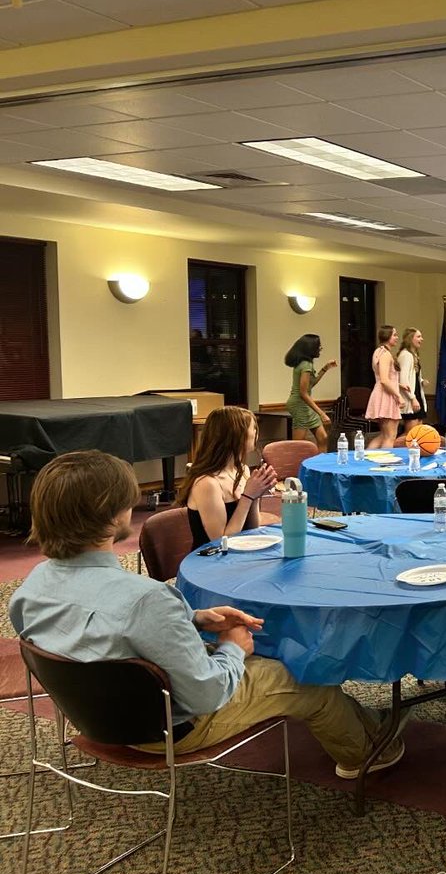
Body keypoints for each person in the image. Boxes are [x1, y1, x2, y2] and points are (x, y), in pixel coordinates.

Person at [10, 450, 409, 780]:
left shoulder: (31, 590)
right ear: (114, 515)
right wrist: (232, 649)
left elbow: (96, 631)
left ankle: (369, 723)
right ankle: (366, 752)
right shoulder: (147, 601)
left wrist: (193, 617)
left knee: (259, 653)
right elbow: (207, 693)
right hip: (170, 728)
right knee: (299, 671)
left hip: (95, 718)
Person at [178, 407, 277, 550]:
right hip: (212, 561)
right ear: (235, 436)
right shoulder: (207, 483)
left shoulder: (242, 470)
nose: (256, 432)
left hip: (239, 554)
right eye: (252, 428)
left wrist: (256, 495)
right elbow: (222, 543)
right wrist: (248, 496)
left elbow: (251, 528)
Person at [285, 334, 337, 451]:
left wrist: (325, 368)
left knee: (323, 438)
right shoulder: (305, 364)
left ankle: (321, 466)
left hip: (304, 404)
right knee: (298, 445)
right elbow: (303, 393)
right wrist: (321, 413)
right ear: (311, 348)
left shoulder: (306, 364)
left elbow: (311, 384)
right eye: (318, 346)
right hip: (299, 404)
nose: (320, 348)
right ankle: (293, 467)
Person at [366, 325, 404, 448]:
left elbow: (383, 377)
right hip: (386, 395)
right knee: (391, 436)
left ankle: (367, 458)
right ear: (387, 336)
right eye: (394, 335)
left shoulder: (378, 351)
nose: (397, 337)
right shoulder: (385, 354)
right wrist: (398, 396)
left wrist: (399, 385)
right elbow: (384, 380)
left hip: (382, 393)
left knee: (384, 435)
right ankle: (385, 462)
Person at [396, 327, 427, 437]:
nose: (421, 339)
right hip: (410, 398)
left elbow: (412, 376)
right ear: (410, 339)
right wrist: (412, 398)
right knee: (410, 435)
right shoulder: (406, 355)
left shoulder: (414, 355)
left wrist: (421, 381)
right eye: (418, 336)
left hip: (417, 396)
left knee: (418, 434)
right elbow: (403, 380)